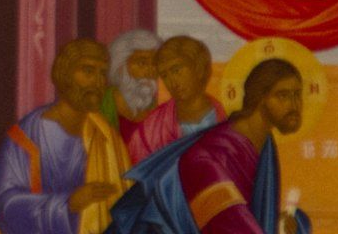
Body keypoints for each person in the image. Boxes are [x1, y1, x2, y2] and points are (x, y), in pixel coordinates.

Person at [110, 57, 313, 234]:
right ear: (260, 98)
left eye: (297, 95)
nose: (295, 105)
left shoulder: (263, 145)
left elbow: (251, 215)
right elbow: (230, 224)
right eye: (283, 95)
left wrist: (284, 224)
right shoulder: (206, 159)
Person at [0, 38, 133, 234]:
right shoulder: (27, 137)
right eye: (88, 71)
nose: (99, 82)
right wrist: (69, 203)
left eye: (102, 73)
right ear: (64, 75)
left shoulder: (106, 137)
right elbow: (5, 205)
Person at [128, 36, 223, 161]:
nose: (172, 82)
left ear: (198, 67)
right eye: (165, 75)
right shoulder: (150, 130)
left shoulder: (226, 119)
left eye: (177, 70)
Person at [103, 29, 163, 156]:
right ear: (121, 66)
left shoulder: (156, 109)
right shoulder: (101, 104)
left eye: (155, 64)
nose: (150, 71)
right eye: (142, 63)